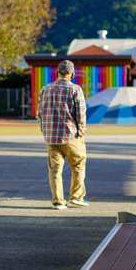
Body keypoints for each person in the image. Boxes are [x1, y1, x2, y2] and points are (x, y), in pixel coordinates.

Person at [37, 60, 88, 209]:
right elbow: (81, 114)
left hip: (50, 136)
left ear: (57, 73)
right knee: (78, 164)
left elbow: (40, 113)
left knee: (55, 169)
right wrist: (81, 132)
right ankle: (76, 196)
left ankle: (58, 201)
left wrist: (45, 130)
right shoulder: (75, 89)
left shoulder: (45, 89)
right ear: (72, 74)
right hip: (70, 135)